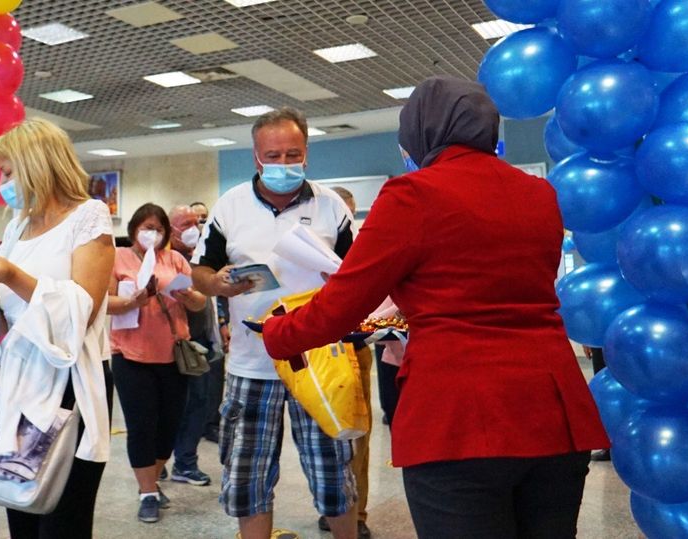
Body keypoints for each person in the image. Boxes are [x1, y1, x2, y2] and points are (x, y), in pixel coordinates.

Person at [259, 77, 610, 538]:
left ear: (422, 129)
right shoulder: (539, 194)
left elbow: (341, 306)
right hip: (555, 411)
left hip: (458, 415)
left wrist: (277, 333)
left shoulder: (413, 195)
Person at [191, 106, 359, 539]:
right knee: (248, 481)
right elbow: (200, 272)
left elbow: (360, 275)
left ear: (306, 153)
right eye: (274, 156)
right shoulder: (230, 206)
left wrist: (340, 282)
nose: (284, 164)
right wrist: (219, 284)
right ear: (256, 157)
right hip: (252, 364)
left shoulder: (331, 206)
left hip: (318, 361)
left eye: (293, 154)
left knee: (333, 477)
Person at [0, 118, 115, 539]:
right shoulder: (17, 227)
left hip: (69, 383)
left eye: (7, 172)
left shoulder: (89, 216)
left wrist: (10, 274)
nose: (2, 183)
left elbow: (83, 311)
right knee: (20, 505)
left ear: (36, 164)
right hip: (18, 381)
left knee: (62, 516)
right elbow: (0, 326)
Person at [107, 203, 208, 523]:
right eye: (146, 228)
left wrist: (188, 297)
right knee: (141, 426)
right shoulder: (117, 257)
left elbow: (199, 301)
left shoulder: (175, 259)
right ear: (134, 229)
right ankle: (147, 492)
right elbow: (104, 302)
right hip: (130, 356)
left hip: (172, 355)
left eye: (159, 229)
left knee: (169, 426)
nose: (153, 234)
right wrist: (131, 301)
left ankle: (152, 478)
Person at [319, 186, 374, 539]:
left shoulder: (365, 243)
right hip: (321, 349)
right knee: (325, 434)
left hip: (356, 345)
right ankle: (332, 506)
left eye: (349, 213)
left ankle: (358, 513)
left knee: (358, 435)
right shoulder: (315, 243)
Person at [167, 205, 223, 486]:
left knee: (199, 402)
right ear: (170, 230)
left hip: (201, 339)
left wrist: (221, 324)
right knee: (169, 405)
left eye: (196, 222)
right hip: (171, 341)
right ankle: (158, 461)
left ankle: (185, 462)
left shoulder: (201, 254)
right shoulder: (162, 259)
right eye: (185, 224)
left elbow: (215, 294)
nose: (193, 228)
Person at [189, 201, 230, 444]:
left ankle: (212, 423)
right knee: (195, 387)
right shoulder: (178, 256)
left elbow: (219, 296)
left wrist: (223, 323)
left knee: (215, 378)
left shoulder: (213, 253)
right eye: (194, 220)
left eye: (204, 218)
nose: (199, 224)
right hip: (189, 331)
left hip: (212, 325)